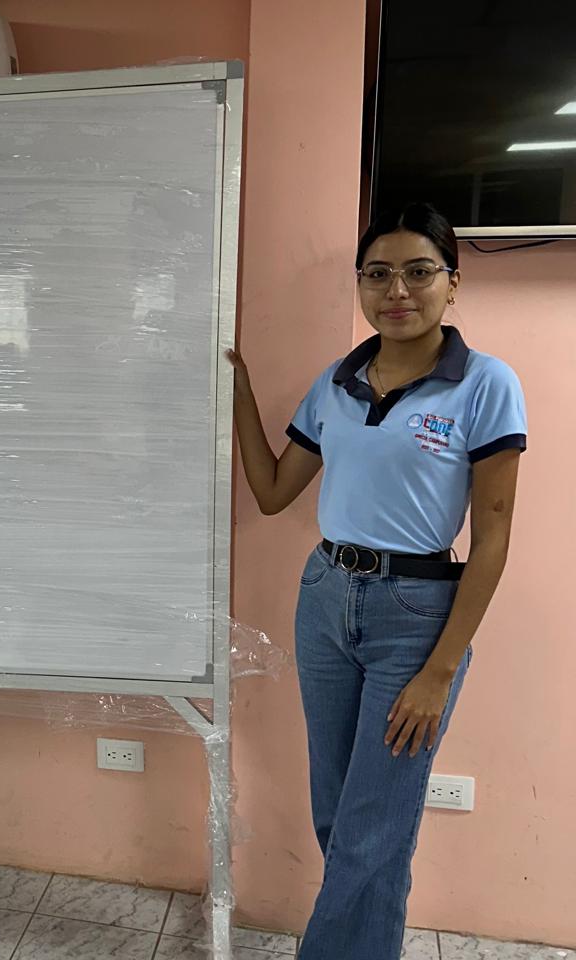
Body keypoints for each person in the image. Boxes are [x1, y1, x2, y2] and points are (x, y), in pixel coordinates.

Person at [226, 202, 526, 959]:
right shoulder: (338, 382)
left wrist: (440, 671)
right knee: (340, 816)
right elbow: (273, 492)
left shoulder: (485, 384)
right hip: (325, 598)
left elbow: (493, 540)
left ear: (452, 283)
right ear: (360, 284)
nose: (397, 290)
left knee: (372, 829)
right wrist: (238, 392)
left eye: (419, 272)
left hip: (416, 616)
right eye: (378, 273)